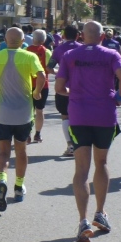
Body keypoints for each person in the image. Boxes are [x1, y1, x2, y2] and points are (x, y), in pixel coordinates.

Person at [55, 21, 121, 242]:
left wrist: (74, 93)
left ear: (81, 35)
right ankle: (100, 213)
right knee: (102, 162)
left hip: (79, 115)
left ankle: (83, 221)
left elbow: (59, 88)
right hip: (104, 115)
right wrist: (119, 97)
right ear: (102, 36)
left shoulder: (69, 55)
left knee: (81, 169)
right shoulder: (111, 54)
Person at [0, 27, 45, 211]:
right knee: (21, 152)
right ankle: (18, 186)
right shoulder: (29, 56)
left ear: (5, 40)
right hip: (23, 114)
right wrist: (37, 92)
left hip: (2, 114)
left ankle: (2, 180)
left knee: (3, 152)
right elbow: (41, 76)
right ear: (23, 40)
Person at [47, 25, 82, 156]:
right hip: (80, 88)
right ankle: (80, 145)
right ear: (77, 36)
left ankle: (70, 145)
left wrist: (59, 72)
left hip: (62, 88)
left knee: (65, 116)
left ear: (63, 36)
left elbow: (49, 67)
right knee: (79, 116)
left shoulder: (58, 49)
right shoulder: (82, 48)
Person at [26, 29, 51, 143]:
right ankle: (38, 134)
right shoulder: (47, 52)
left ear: (33, 38)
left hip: (28, 84)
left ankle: (27, 134)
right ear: (44, 40)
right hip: (43, 85)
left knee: (28, 111)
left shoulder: (26, 51)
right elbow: (49, 69)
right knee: (39, 110)